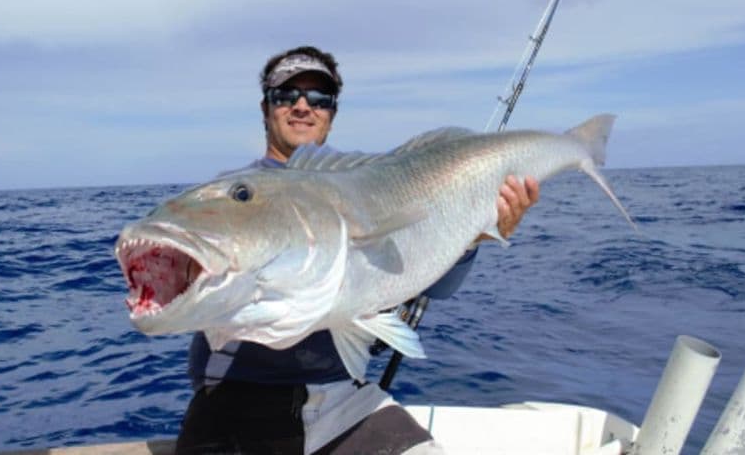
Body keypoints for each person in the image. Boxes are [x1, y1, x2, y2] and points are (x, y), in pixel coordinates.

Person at [175, 46, 540, 455]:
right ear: (266, 108)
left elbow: (434, 288)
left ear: (332, 111)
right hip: (237, 401)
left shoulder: (372, 184)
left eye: (319, 98)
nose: (302, 106)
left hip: (342, 400)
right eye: (285, 95)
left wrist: (472, 236)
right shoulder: (234, 195)